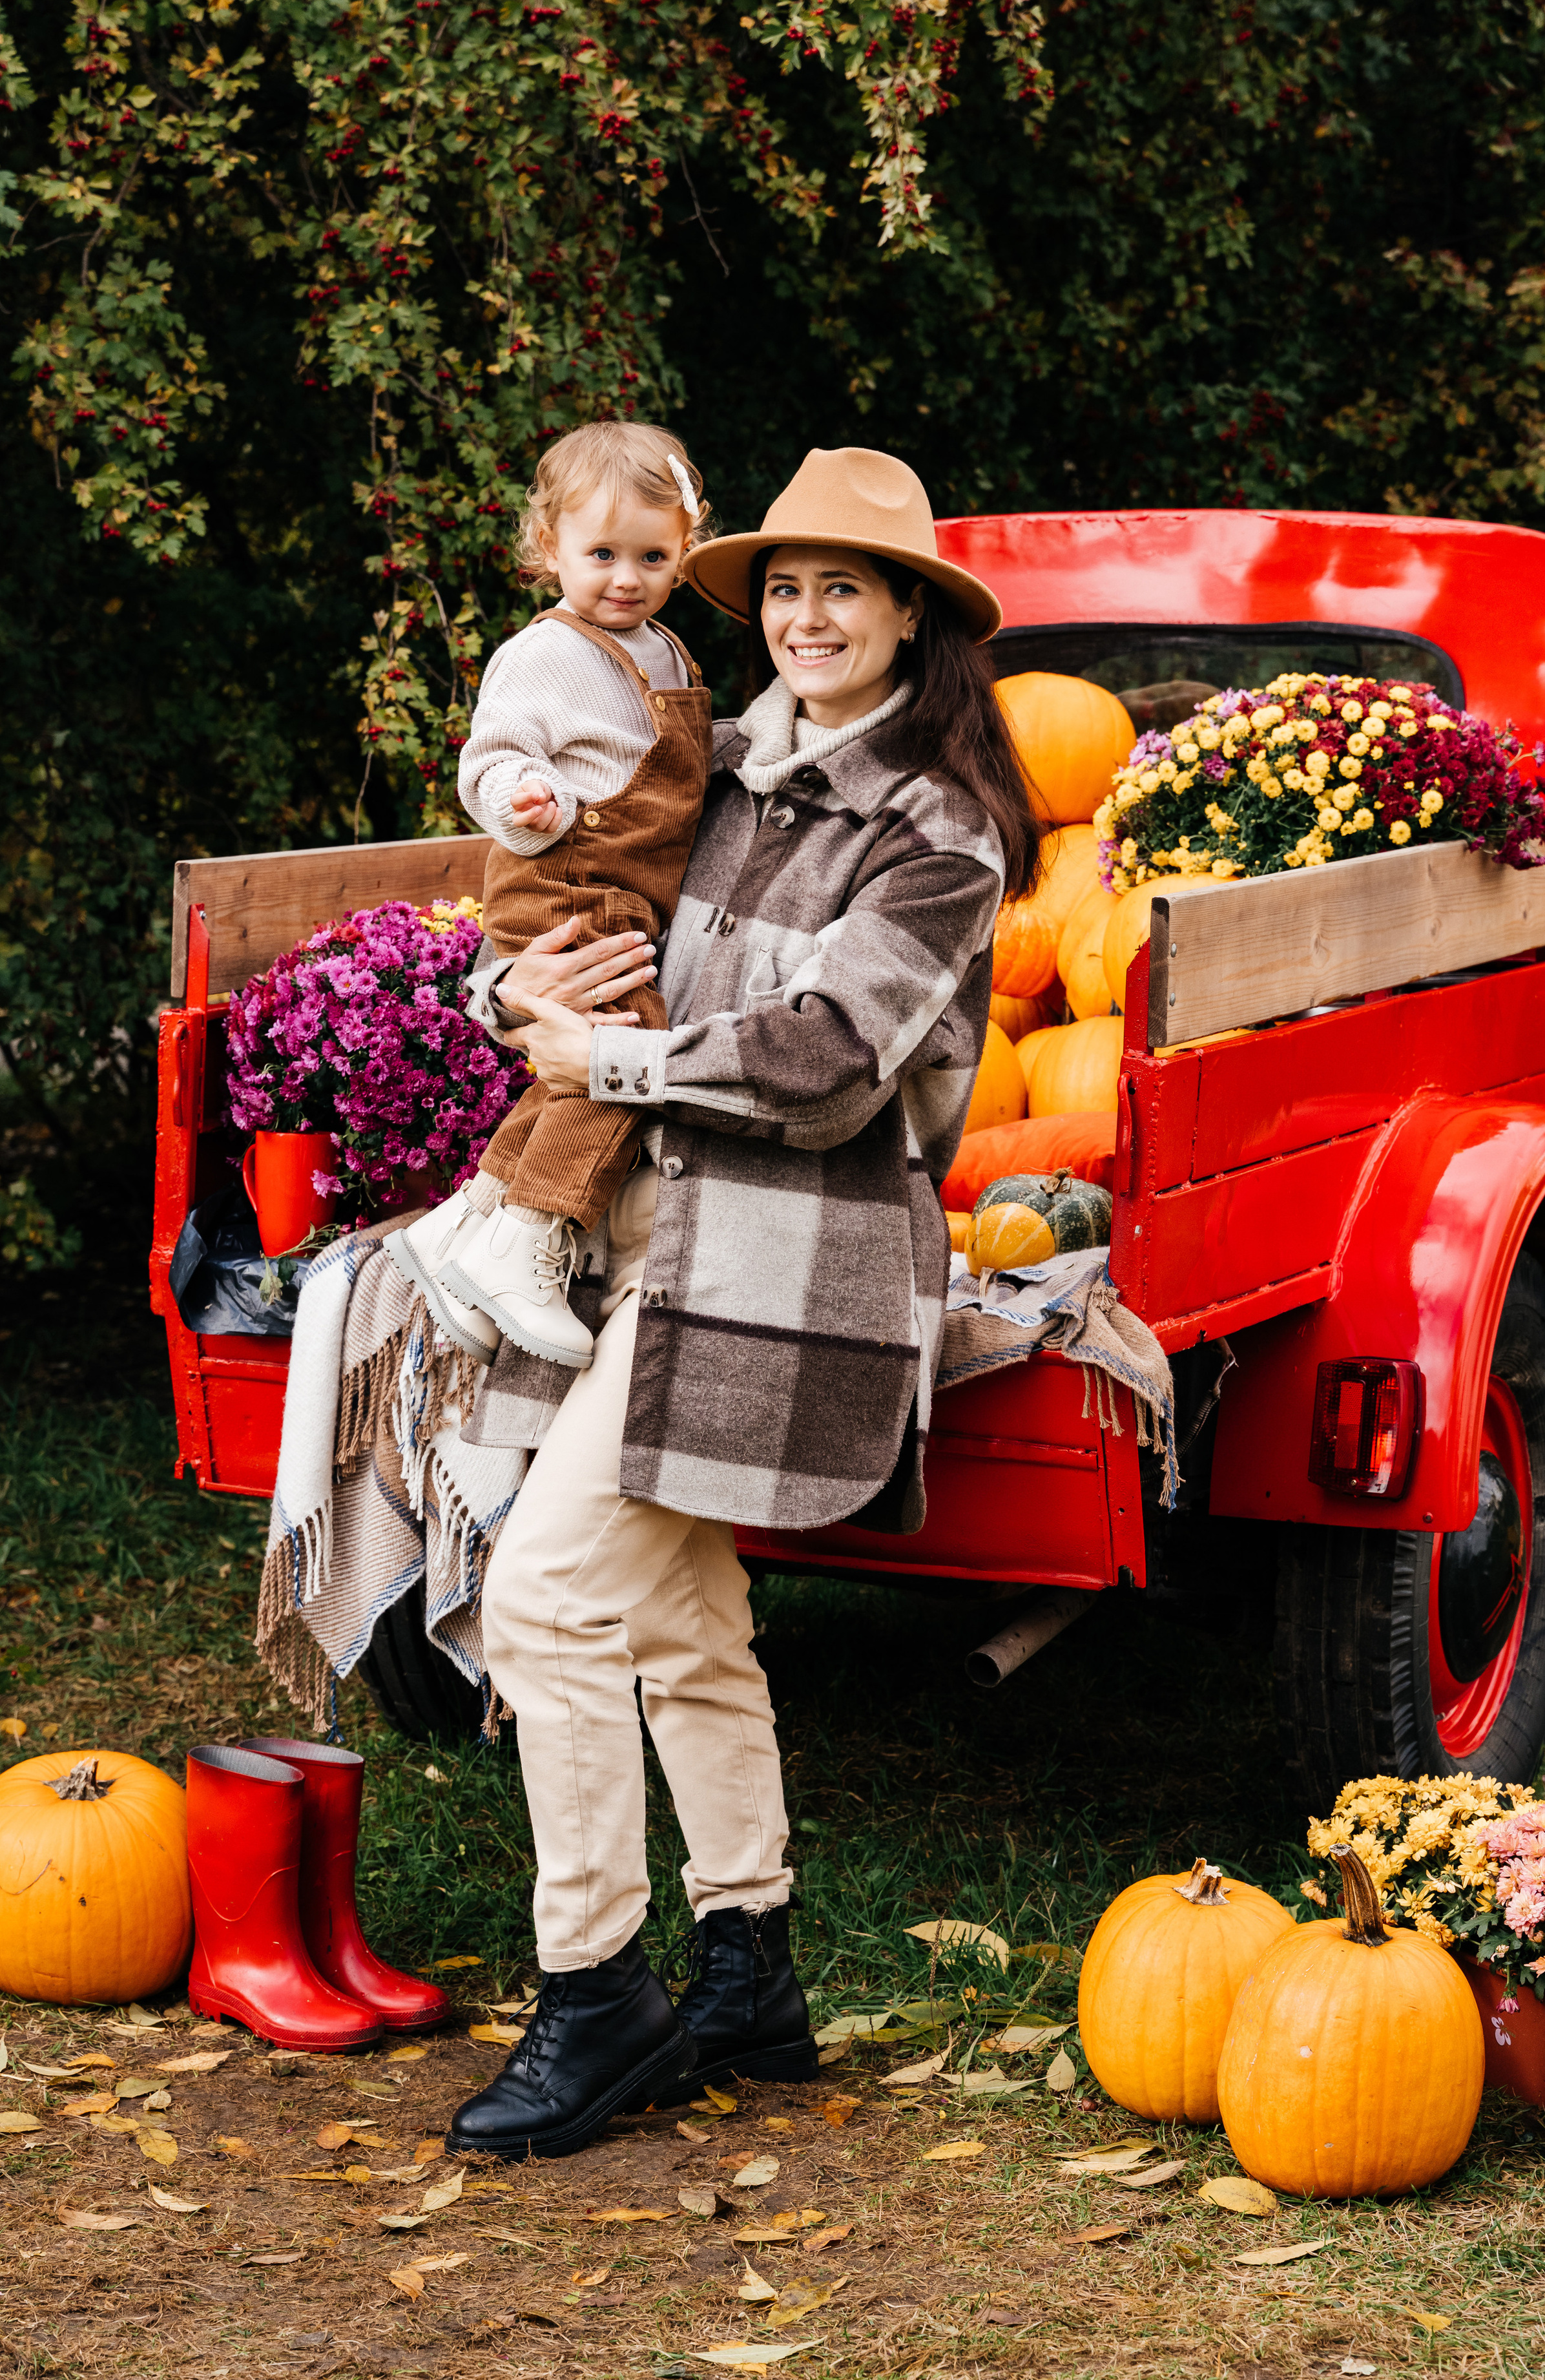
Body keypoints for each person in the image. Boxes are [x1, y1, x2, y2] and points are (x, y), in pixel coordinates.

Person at [443, 446, 1042, 2160]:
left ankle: (596, 1989)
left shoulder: (940, 833)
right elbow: (586, 917)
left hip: (798, 1262)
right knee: (681, 1608)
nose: (806, 614)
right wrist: (517, 989)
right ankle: (748, 1962)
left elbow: (834, 1063)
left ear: (913, 616)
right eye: (783, 585)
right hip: (659, 1232)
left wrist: (607, 1049)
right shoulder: (727, 769)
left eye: (844, 587)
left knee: (553, 1595)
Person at [385, 420, 714, 1370]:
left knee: (577, 1070)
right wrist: (523, 799)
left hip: (620, 893)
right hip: (565, 880)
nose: (626, 576)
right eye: (601, 553)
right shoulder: (544, 655)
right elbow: (491, 759)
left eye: (652, 556)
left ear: (682, 552)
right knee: (618, 1054)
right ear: (550, 550)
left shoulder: (666, 654)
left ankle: (470, 1223)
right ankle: (530, 1236)